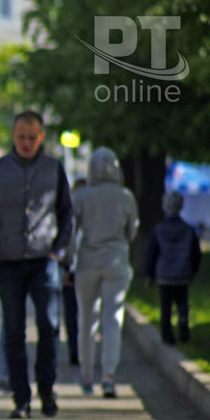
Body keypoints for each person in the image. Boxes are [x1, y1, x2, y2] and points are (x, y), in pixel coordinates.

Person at [0, 110, 73, 419]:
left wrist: (58, 251)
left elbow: (67, 213)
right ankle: (21, 398)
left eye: (32, 137)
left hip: (44, 260)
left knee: (50, 326)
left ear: (41, 137)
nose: (26, 143)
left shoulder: (54, 169)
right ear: (13, 136)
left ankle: (47, 390)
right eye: (21, 137)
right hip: (8, 262)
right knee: (14, 331)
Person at [71, 149, 138, 398]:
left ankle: (87, 375)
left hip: (87, 263)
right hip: (116, 261)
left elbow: (71, 232)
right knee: (113, 319)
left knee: (87, 319)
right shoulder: (126, 196)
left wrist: (67, 262)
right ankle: (109, 376)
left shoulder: (82, 196)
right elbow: (132, 231)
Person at [145, 190, 202, 346]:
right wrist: (193, 271)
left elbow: (152, 253)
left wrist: (149, 275)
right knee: (182, 302)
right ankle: (183, 322)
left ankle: (167, 335)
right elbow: (195, 253)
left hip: (165, 274)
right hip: (183, 273)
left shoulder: (159, 228)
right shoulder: (188, 229)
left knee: (166, 306)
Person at [62, 177, 87, 367]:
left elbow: (68, 243)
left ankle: (76, 350)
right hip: (89, 267)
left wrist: (66, 265)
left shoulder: (69, 213)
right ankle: (81, 350)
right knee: (84, 313)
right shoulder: (98, 210)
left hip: (75, 268)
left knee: (73, 312)